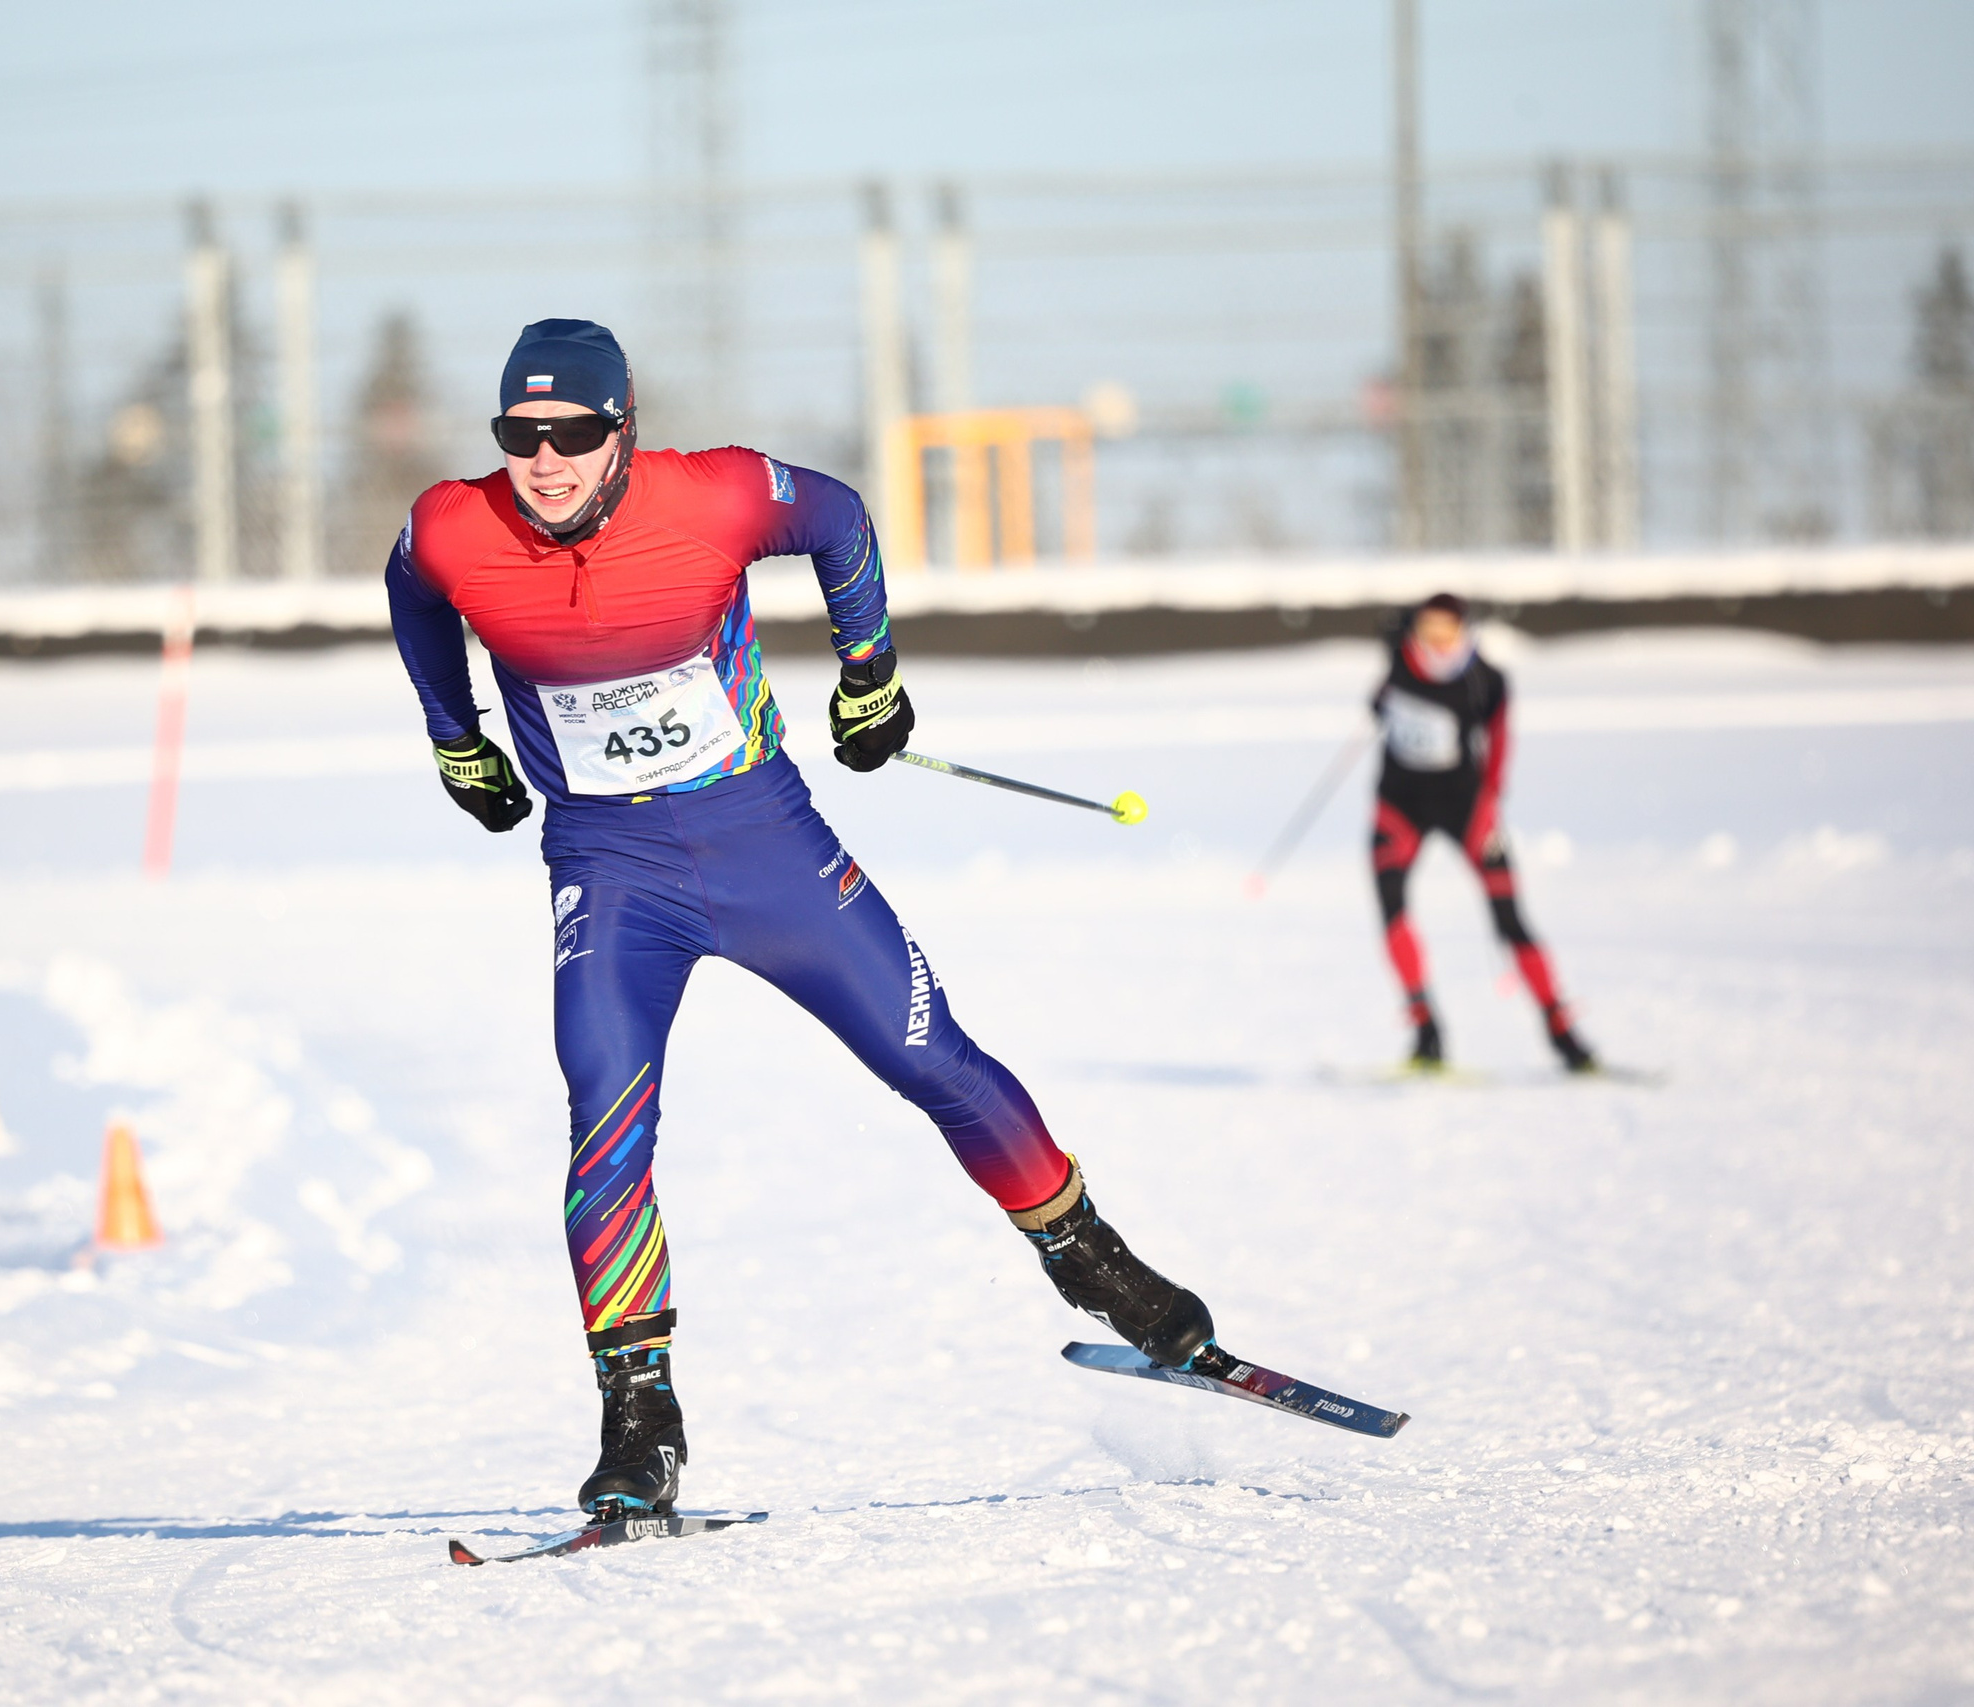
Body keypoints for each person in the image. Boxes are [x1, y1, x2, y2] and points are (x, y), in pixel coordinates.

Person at [387, 319, 1219, 1522]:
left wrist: (869, 669)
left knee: (931, 1056)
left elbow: (836, 517)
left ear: (624, 428)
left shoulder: (712, 496)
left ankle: (1097, 1265)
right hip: (611, 872)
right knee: (604, 1122)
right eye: (520, 435)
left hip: (766, 849)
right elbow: (412, 589)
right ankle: (640, 1420)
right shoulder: (455, 525)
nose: (547, 461)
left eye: (573, 433)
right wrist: (454, 738)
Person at [1370, 592, 1595, 1074]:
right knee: (1392, 908)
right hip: (1398, 808)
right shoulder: (1398, 662)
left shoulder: (1484, 679)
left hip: (1466, 809)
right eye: (1428, 629)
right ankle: (1426, 1031)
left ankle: (1564, 1036)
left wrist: (1490, 805)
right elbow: (1377, 699)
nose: (1437, 640)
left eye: (1447, 630)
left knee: (1509, 919)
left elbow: (1498, 744)